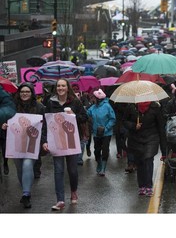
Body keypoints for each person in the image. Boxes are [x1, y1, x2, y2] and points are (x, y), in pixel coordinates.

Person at [43, 78, 88, 211]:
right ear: (56, 88)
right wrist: (45, 140)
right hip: (56, 141)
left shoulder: (75, 102)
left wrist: (74, 115)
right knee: (58, 170)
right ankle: (60, 200)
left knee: (72, 170)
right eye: (58, 86)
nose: (61, 88)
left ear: (67, 88)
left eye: (63, 86)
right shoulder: (51, 102)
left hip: (72, 141)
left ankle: (73, 191)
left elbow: (85, 117)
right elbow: (46, 122)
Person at [1, 82, 47, 208]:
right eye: (22, 92)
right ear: (18, 93)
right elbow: (5, 119)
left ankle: (26, 194)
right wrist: (4, 125)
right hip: (16, 143)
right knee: (20, 169)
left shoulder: (40, 107)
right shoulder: (12, 106)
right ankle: (25, 190)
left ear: (32, 93)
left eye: (27, 91)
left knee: (27, 165)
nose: (24, 94)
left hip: (32, 144)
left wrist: (43, 141)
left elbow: (44, 128)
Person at [123, 101, 166, 197]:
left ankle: (149, 186)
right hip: (135, 138)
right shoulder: (132, 107)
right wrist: (134, 126)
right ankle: (141, 185)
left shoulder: (155, 107)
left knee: (148, 160)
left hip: (151, 138)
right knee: (140, 161)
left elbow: (161, 127)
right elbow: (124, 121)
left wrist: (164, 151)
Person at [87, 89, 116, 176]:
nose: (92, 99)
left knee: (105, 150)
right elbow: (87, 114)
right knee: (97, 150)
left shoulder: (107, 106)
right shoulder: (93, 107)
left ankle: (103, 168)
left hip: (106, 133)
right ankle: (99, 163)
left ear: (98, 98)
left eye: (94, 97)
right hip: (96, 133)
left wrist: (106, 128)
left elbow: (113, 119)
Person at [0, 86, 17, 176]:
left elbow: (9, 109)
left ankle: (5, 163)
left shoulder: (3, 94)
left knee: (4, 148)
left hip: (3, 127)